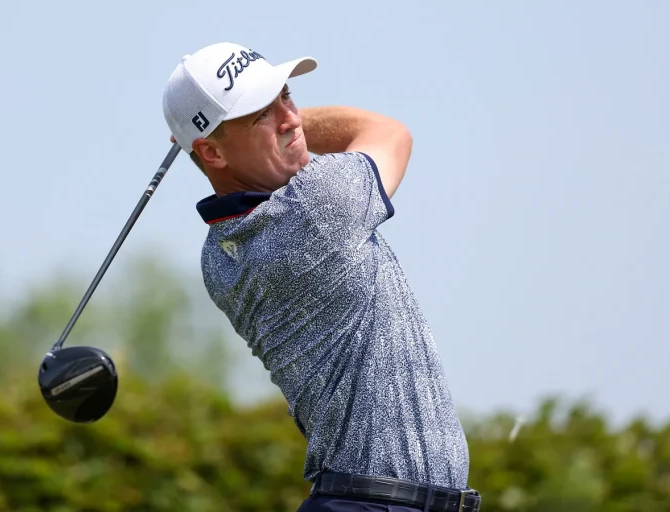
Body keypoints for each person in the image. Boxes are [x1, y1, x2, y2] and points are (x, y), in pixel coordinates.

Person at [162, 42, 482, 512]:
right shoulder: (317, 207)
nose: (291, 118)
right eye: (260, 115)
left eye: (286, 96)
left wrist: (232, 131)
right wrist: (273, 125)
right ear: (212, 153)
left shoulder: (220, 254)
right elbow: (388, 132)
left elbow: (262, 145)